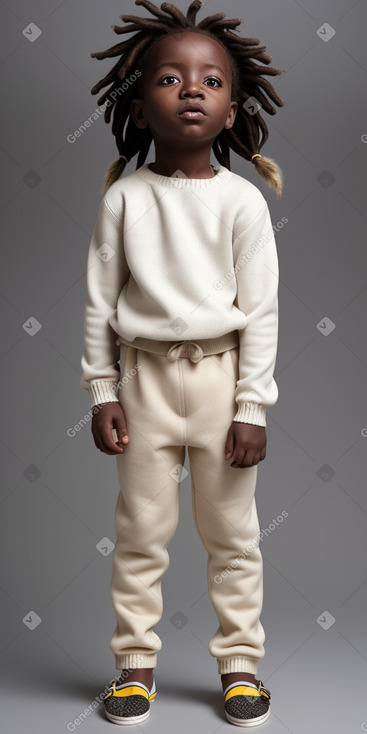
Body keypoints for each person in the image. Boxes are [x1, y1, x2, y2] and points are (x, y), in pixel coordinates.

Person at [79, 0, 286, 726]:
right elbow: (100, 303)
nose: (190, 89)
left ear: (233, 110)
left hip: (220, 382)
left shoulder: (243, 204)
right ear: (138, 105)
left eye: (209, 81)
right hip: (142, 386)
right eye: (168, 78)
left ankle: (239, 667)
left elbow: (260, 312)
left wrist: (250, 406)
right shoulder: (124, 200)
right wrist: (103, 392)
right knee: (140, 530)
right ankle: (134, 668)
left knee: (231, 534)